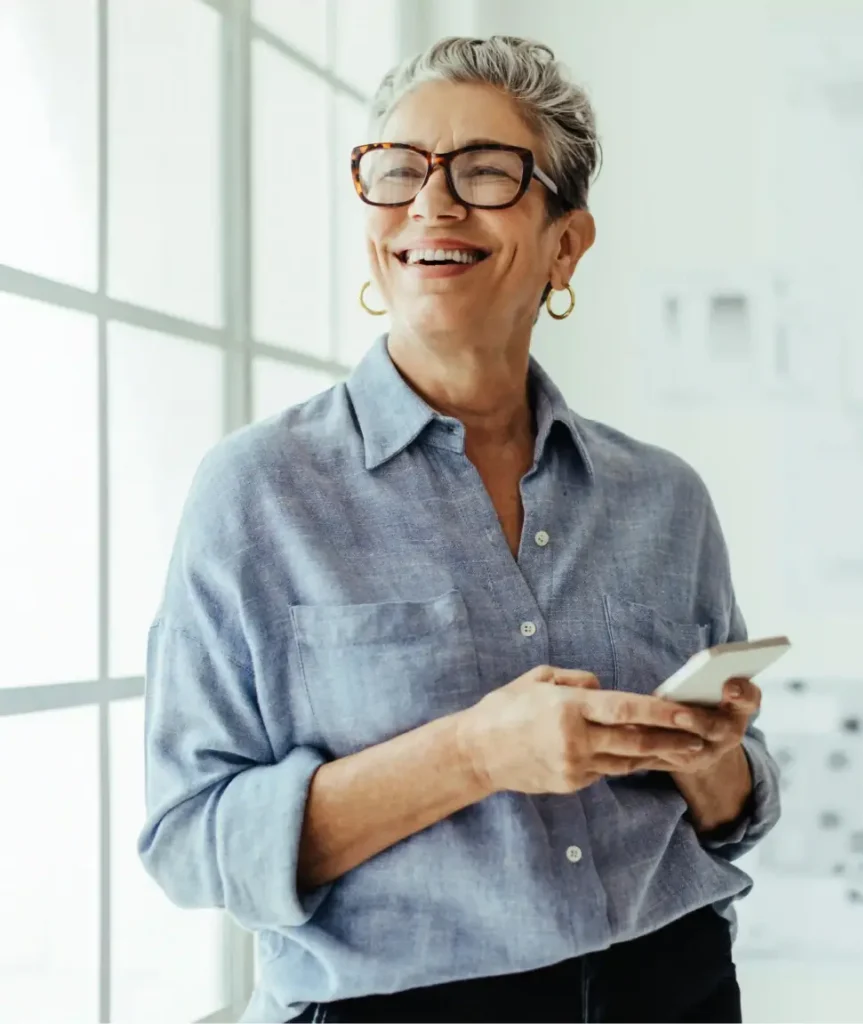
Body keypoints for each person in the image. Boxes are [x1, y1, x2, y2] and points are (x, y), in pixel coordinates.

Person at [140, 35, 781, 1024]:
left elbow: (732, 813)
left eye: (485, 172)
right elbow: (192, 841)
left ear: (565, 244)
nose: (431, 204)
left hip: (672, 983)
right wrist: (475, 753)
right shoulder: (256, 492)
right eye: (399, 171)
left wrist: (704, 755)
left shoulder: (664, 498)